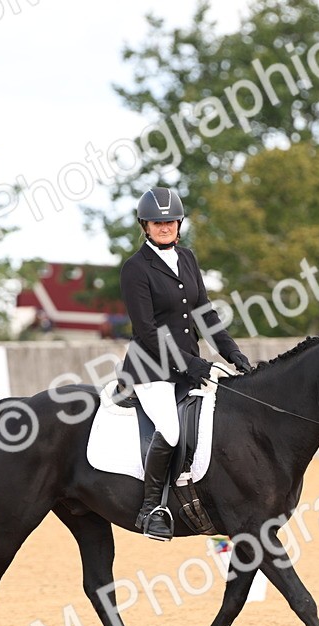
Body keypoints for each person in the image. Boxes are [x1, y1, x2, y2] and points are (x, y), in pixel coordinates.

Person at [118, 187, 252, 539]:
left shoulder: (187, 259)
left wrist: (233, 354)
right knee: (172, 429)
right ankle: (152, 509)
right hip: (152, 370)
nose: (164, 226)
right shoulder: (135, 269)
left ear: (179, 223)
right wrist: (192, 366)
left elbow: (205, 315)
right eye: (156, 222)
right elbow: (147, 331)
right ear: (144, 226)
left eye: (170, 221)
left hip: (189, 369)